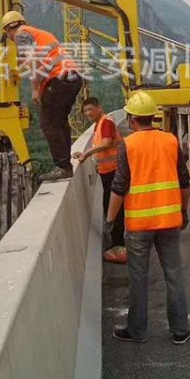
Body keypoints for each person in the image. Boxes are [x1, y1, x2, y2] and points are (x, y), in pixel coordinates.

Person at [105, 91, 190, 345]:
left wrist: (110, 220)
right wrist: (183, 211)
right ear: (152, 117)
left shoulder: (127, 146)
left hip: (139, 225)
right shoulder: (171, 141)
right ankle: (180, 331)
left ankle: (138, 331)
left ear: (131, 119)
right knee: (174, 275)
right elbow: (184, 182)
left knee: (138, 279)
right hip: (169, 222)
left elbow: (119, 186)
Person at [1, 11, 82, 182]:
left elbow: (32, 61)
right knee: (59, 121)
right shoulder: (39, 34)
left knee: (49, 123)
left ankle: (62, 166)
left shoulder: (21, 35)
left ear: (8, 29)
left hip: (58, 78)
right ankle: (65, 164)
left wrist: (35, 89)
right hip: (72, 77)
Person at [73, 97, 126, 263]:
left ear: (99, 108)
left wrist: (87, 153)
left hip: (114, 171)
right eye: (86, 111)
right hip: (107, 172)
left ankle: (119, 245)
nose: (88, 113)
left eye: (91, 109)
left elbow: (107, 143)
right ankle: (117, 242)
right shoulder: (99, 125)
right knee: (111, 207)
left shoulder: (106, 122)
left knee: (114, 209)